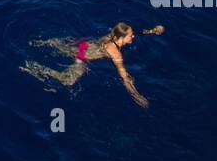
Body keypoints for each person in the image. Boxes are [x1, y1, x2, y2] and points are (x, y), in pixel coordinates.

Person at [22, 22, 163, 107]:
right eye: (130, 35)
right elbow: (124, 76)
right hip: (83, 55)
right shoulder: (115, 53)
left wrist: (153, 31)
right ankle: (36, 68)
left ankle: (42, 42)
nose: (133, 36)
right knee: (68, 81)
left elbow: (138, 32)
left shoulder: (113, 35)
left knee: (66, 48)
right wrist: (136, 95)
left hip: (84, 45)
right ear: (121, 38)